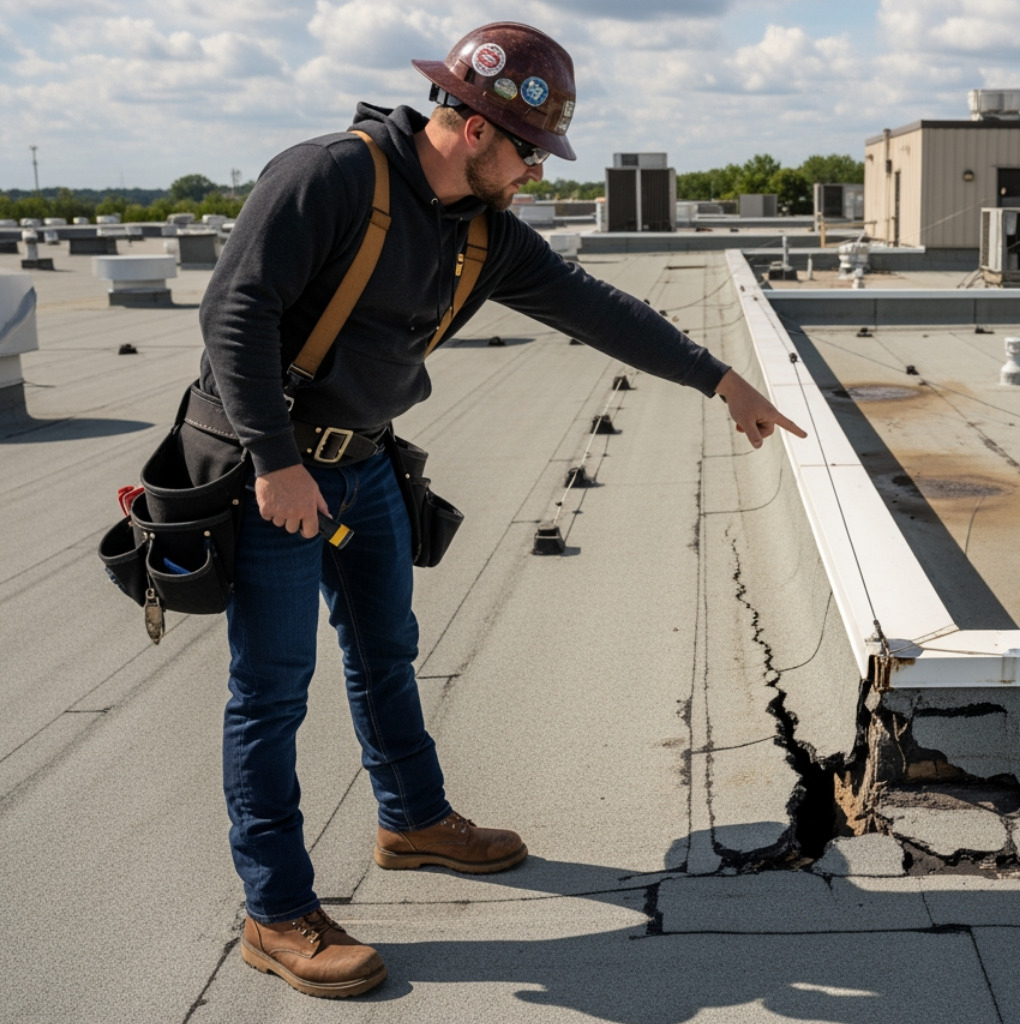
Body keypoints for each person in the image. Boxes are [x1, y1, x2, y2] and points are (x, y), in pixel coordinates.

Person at [195, 22, 804, 998]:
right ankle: (276, 912)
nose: (536, 174)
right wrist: (273, 461)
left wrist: (719, 377)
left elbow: (594, 305)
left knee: (386, 649)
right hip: (278, 480)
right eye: (530, 151)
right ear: (473, 129)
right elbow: (235, 312)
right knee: (271, 692)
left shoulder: (479, 231)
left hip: (366, 471)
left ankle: (413, 820)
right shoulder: (329, 176)